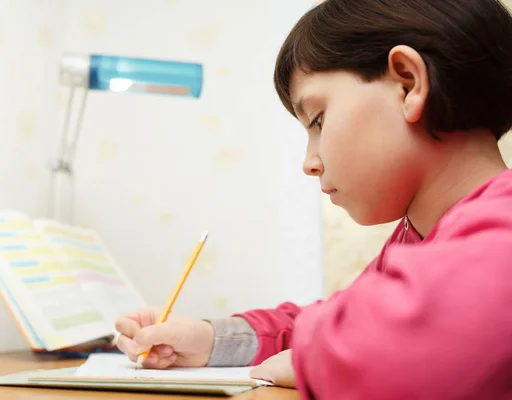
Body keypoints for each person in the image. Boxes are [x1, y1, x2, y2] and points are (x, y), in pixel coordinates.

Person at [115, 0, 512, 398]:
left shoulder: (503, 225)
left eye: (318, 120)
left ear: (408, 83)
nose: (309, 163)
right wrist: (211, 338)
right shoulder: (417, 236)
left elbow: (387, 354)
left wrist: (309, 356)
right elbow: (337, 321)